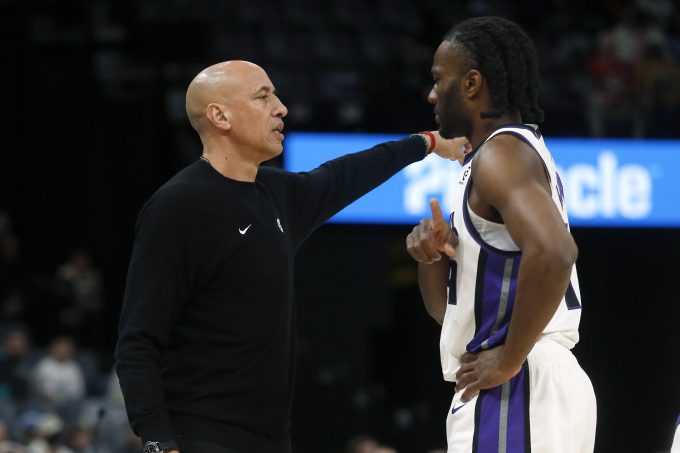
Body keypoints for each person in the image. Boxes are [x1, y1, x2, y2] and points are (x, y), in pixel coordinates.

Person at [114, 60, 468, 453]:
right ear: (219, 115)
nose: (281, 107)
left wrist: (428, 142)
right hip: (199, 434)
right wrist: (158, 442)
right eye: (263, 97)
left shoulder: (276, 194)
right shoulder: (179, 205)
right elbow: (138, 339)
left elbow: (345, 174)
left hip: (272, 439)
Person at [405, 17, 596, 453]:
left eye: (439, 80)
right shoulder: (494, 159)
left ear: (472, 83)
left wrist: (508, 359)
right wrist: (432, 259)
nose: (432, 94)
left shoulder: (502, 155)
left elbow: (556, 251)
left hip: (520, 383)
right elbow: (444, 314)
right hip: (517, 384)